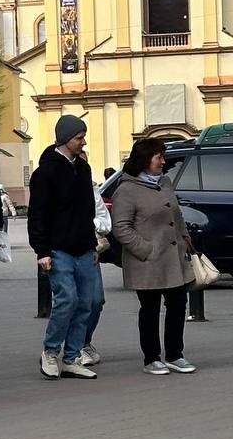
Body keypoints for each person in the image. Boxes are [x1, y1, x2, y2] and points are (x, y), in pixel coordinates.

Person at [111, 138, 196, 376]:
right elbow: (121, 227)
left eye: (162, 156)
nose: (163, 161)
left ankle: (175, 355)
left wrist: (186, 239)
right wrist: (145, 249)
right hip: (146, 261)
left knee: (178, 305)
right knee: (150, 308)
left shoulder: (165, 182)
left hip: (174, 258)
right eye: (158, 157)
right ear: (144, 159)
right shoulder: (126, 190)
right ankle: (151, 358)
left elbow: (176, 216)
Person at [27, 115, 98, 380]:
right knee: (67, 299)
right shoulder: (46, 172)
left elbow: (88, 209)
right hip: (58, 249)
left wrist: (93, 244)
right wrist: (42, 251)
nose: (83, 142)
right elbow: (38, 214)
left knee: (86, 303)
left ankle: (71, 357)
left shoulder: (83, 168)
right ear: (66, 139)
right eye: (79, 138)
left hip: (84, 247)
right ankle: (50, 350)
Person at [79, 186, 113, 367]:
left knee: (95, 300)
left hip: (89, 251)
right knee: (69, 300)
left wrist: (88, 223)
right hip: (61, 251)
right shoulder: (52, 184)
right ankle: (68, 347)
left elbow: (105, 222)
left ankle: (84, 342)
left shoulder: (91, 192)